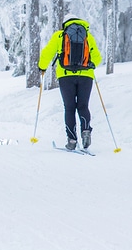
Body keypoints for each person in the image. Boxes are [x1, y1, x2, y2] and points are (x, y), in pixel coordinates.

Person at [38, 17, 102, 151]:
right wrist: (92, 65)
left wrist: (42, 67)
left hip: (65, 76)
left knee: (69, 108)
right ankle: (86, 131)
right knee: (83, 106)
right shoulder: (88, 36)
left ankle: (72, 140)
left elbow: (47, 52)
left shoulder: (59, 35)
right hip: (86, 76)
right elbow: (97, 57)